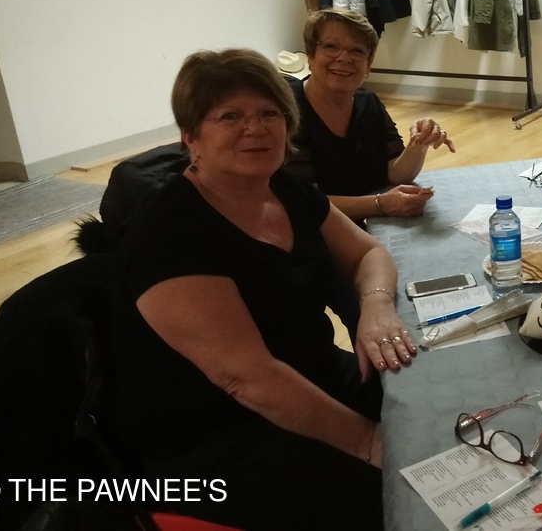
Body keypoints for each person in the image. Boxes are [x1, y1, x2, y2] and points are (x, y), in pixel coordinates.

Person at [114, 49, 414, 529]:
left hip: (311, 377)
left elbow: (366, 253)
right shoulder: (170, 231)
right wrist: (367, 441)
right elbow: (248, 379)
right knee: (396, 495)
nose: (255, 128)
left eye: (269, 113)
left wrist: (376, 308)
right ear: (191, 137)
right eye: (230, 116)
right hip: (219, 433)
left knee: (433, 413)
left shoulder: (284, 188)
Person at [287, 8, 455, 221]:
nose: (344, 58)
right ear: (310, 56)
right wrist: (380, 204)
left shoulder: (369, 103)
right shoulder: (287, 109)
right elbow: (304, 201)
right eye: (331, 47)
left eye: (357, 51)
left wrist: (419, 143)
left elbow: (396, 173)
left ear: (368, 66)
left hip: (372, 224)